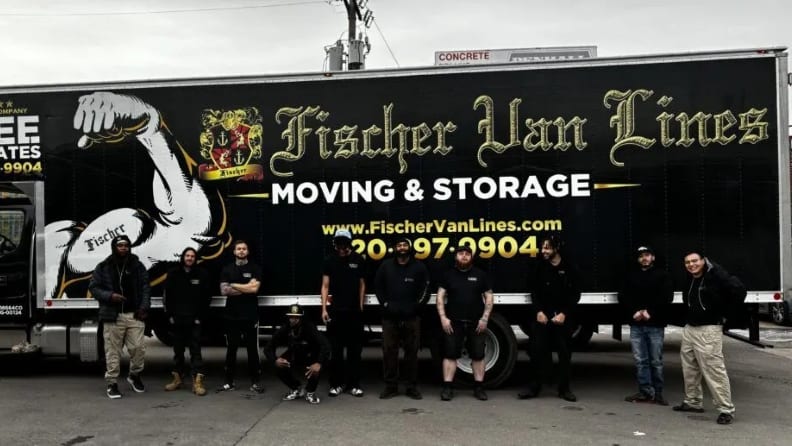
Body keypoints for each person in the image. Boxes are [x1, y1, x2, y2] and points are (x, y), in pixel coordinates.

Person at [673, 251, 741, 425]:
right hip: (690, 328)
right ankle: (693, 402)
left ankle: (726, 409)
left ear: (703, 261)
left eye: (695, 261)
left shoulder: (715, 277)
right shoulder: (691, 279)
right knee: (690, 368)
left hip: (708, 330)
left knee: (714, 370)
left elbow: (738, 290)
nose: (691, 265)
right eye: (688, 262)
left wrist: (727, 316)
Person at [518, 235, 580, 402]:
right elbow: (534, 292)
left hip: (562, 318)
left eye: (547, 248)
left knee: (564, 354)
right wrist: (538, 311)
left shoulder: (569, 267)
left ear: (556, 249)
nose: (543, 251)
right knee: (536, 352)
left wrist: (564, 313)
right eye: (542, 247)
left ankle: (564, 389)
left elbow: (575, 294)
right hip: (542, 317)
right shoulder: (539, 266)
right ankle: (534, 387)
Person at [88, 234, 150, 399]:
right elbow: (94, 287)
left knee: (138, 348)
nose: (123, 248)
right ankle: (112, 383)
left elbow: (145, 287)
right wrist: (110, 296)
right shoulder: (103, 266)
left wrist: (143, 307)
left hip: (134, 315)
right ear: (114, 247)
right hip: (113, 316)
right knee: (112, 351)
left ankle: (134, 375)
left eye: (126, 245)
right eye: (120, 245)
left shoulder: (138, 266)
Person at [436, 244, 494, 402]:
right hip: (453, 323)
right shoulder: (448, 275)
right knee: (450, 355)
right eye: (461, 253)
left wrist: (484, 318)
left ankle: (479, 387)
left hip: (476, 323)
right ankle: (447, 387)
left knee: (478, 355)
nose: (464, 256)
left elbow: (489, 297)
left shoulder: (480, 275)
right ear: (456, 257)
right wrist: (443, 318)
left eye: (467, 254)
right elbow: (440, 297)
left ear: (471, 257)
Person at [375, 237, 430, 400]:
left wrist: (416, 307)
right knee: (389, 352)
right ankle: (390, 387)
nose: (402, 247)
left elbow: (426, 289)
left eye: (405, 245)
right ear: (395, 248)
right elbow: (378, 286)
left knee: (411, 353)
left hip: (412, 318)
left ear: (409, 247)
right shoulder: (385, 266)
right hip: (389, 318)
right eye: (399, 245)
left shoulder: (419, 267)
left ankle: (411, 387)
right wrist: (385, 304)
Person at [619, 246, 673, 405]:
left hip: (655, 324)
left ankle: (658, 393)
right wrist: (634, 311)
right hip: (636, 324)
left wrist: (650, 312)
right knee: (641, 360)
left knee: (656, 360)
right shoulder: (630, 276)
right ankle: (645, 392)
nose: (644, 258)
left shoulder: (663, 275)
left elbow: (666, 297)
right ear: (638, 259)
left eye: (647, 255)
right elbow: (623, 296)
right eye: (641, 256)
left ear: (653, 257)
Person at [321, 229, 367, 397]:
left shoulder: (358, 259)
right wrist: (324, 309)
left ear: (349, 243)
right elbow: (325, 285)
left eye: (344, 242)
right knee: (336, 351)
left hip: (354, 312)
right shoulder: (329, 260)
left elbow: (362, 284)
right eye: (338, 242)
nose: (341, 246)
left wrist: (360, 306)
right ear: (335, 243)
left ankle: (354, 385)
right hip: (336, 312)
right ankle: (336, 384)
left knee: (355, 351)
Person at [163, 247, 213, 396]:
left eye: (192, 256)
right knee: (178, 351)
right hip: (177, 319)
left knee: (195, 351)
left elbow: (207, 297)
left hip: (194, 319)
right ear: (183, 257)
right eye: (187, 255)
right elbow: (167, 296)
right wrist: (170, 315)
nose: (190, 258)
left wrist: (200, 317)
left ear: (195, 258)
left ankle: (197, 383)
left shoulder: (202, 274)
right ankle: (177, 380)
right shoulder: (173, 273)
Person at [217, 239, 264, 393]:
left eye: (244, 248)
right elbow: (224, 291)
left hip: (250, 315)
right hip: (232, 316)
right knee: (231, 349)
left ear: (248, 251)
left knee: (252, 350)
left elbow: (254, 290)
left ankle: (255, 382)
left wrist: (234, 284)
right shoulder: (227, 269)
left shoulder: (255, 268)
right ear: (234, 252)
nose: (241, 251)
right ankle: (228, 382)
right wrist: (246, 286)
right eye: (239, 249)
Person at [265, 304, 331, 405]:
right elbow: (268, 348)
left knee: (315, 368)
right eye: (291, 317)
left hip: (311, 354)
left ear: (301, 318)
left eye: (296, 317)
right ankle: (296, 388)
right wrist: (275, 360)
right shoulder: (285, 327)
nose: (293, 320)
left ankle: (310, 392)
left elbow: (326, 345)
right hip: (296, 353)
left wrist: (319, 363)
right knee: (278, 365)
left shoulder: (309, 327)